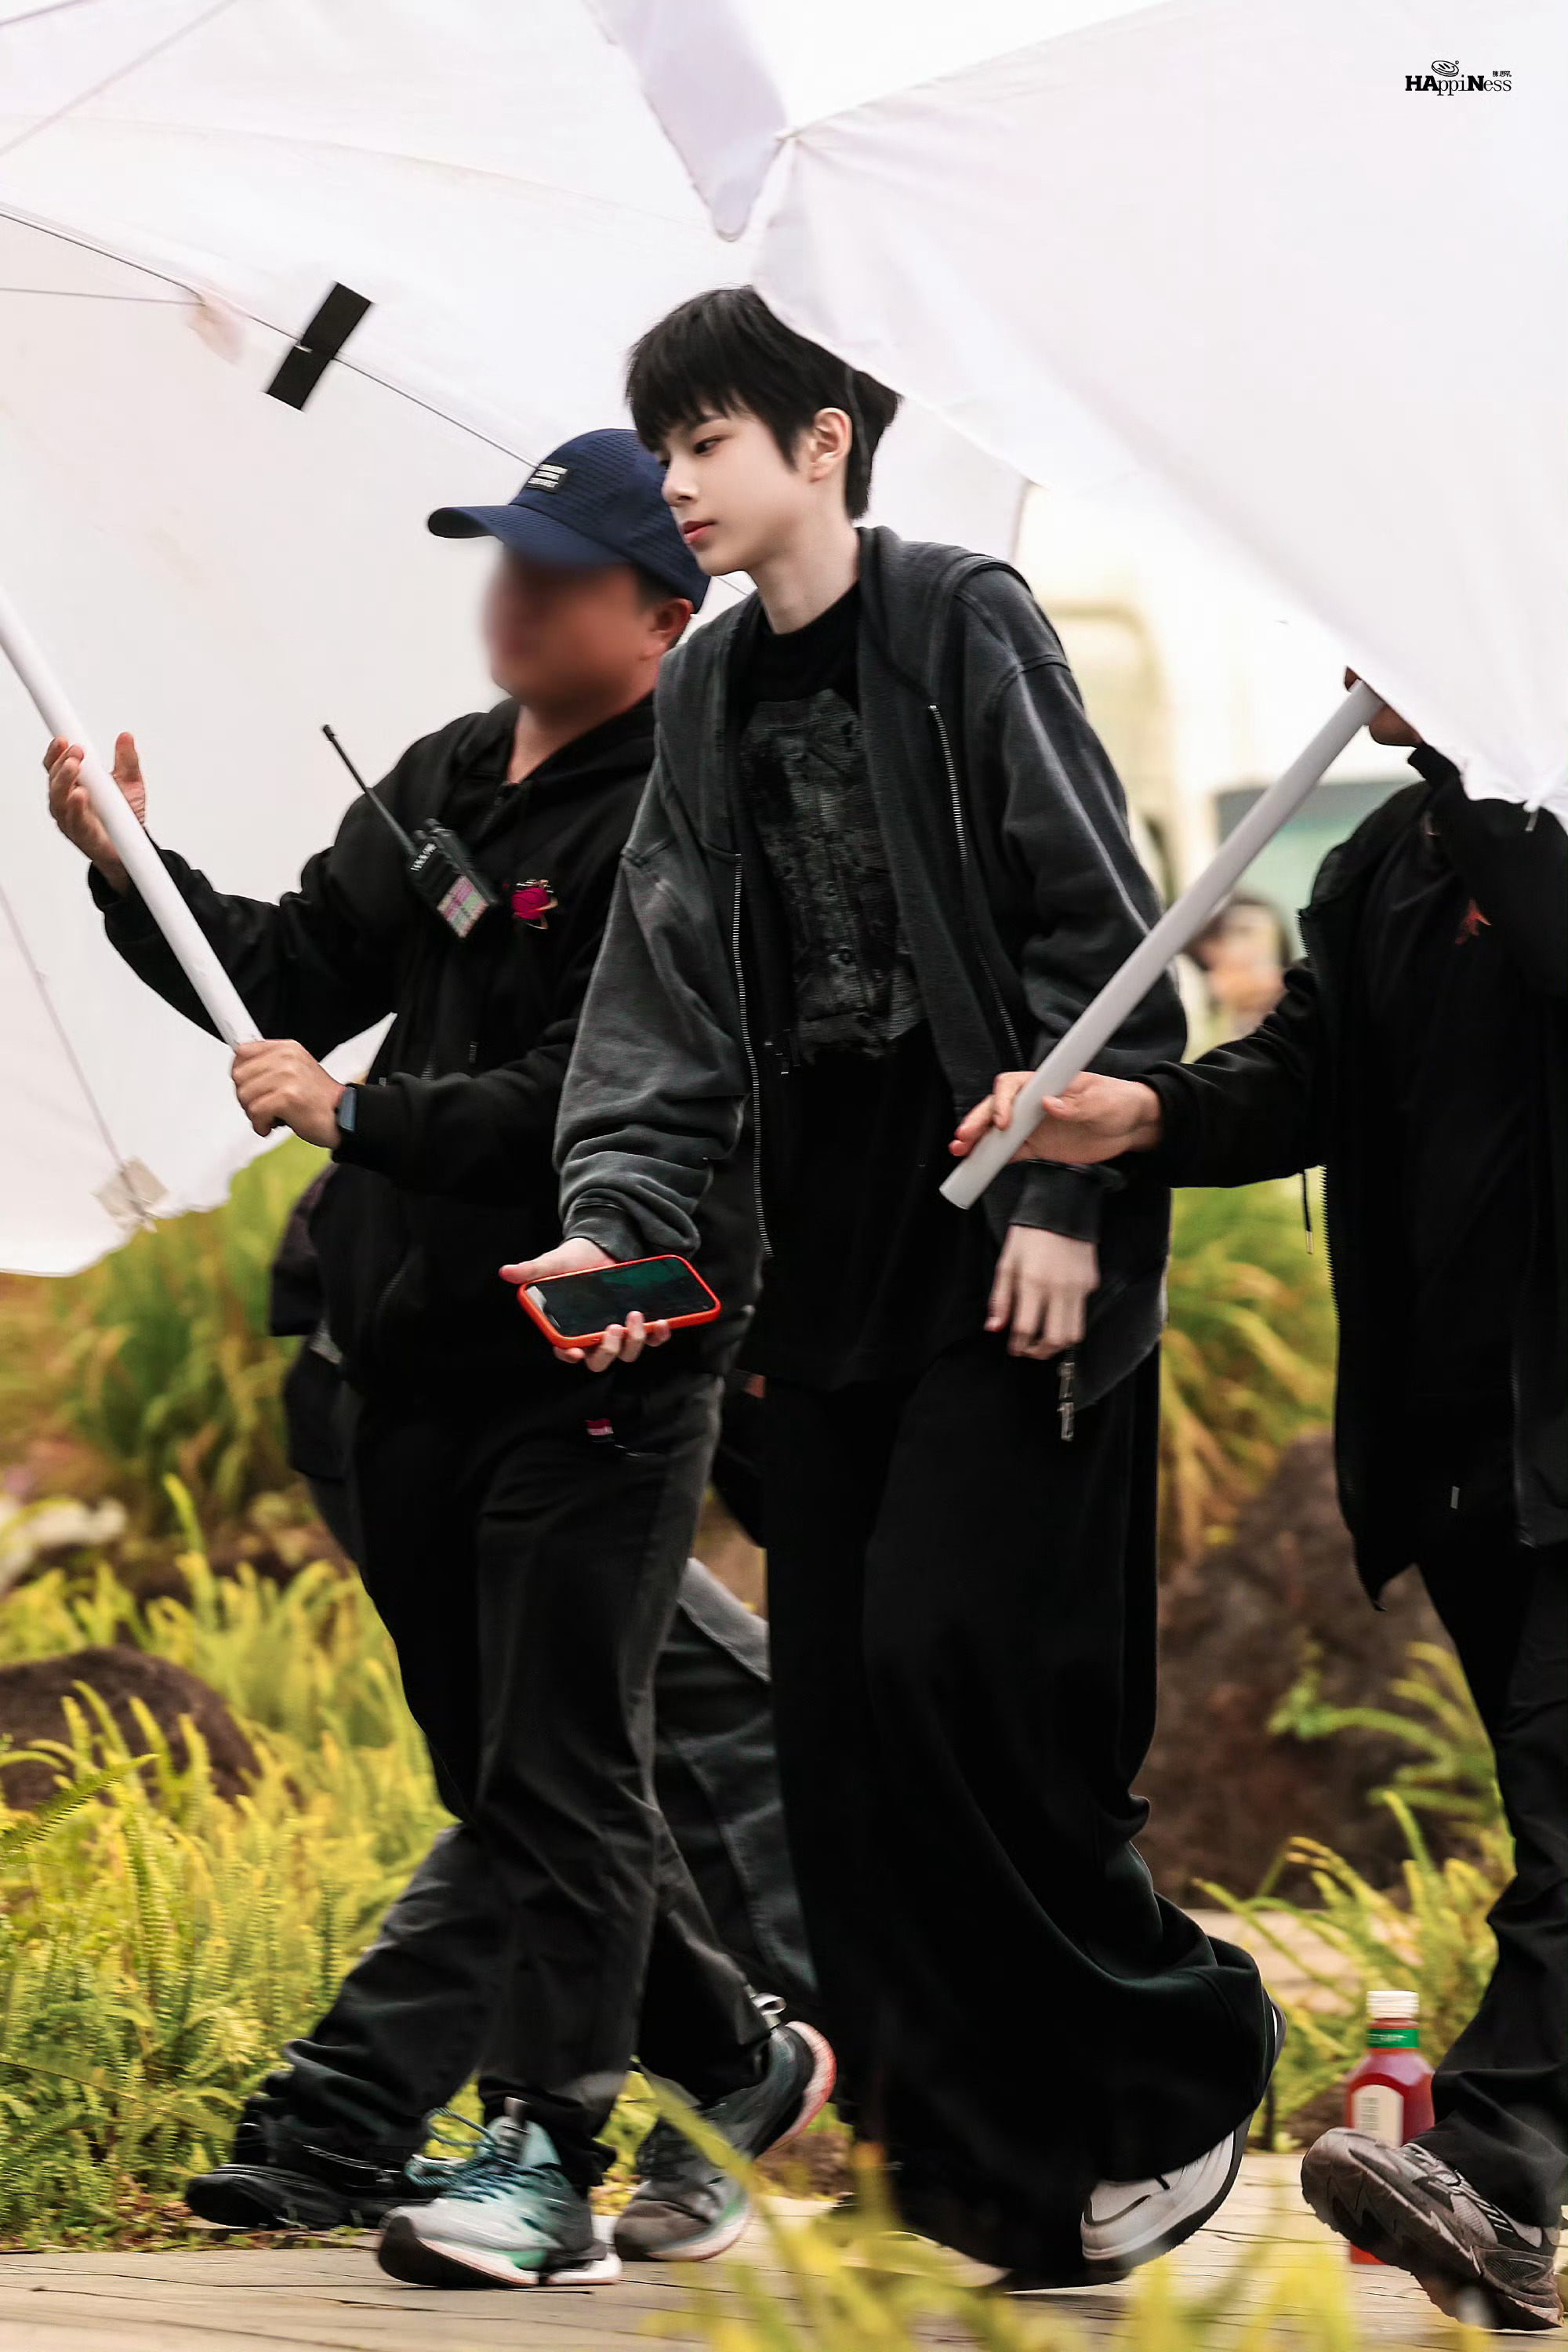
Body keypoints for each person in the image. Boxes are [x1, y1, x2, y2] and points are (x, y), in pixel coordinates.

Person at [507, 289, 1282, 2286]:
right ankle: (1002, 2180)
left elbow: (1099, 925)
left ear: (824, 441)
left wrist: (1065, 1197)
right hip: (826, 1265)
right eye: (663, 447)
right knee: (844, 1734)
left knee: (959, 1681)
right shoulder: (705, 688)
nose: (677, 483)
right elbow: (662, 992)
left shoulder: (959, 622)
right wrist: (618, 1212)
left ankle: (1177, 2068)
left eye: (706, 441)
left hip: (1005, 1244)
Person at [44, 430, 833, 2290]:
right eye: (504, 559)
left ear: (666, 613)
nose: (515, 596)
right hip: (406, 1356)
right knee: (502, 1778)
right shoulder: (456, 772)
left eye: (559, 572)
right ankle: (733, 2057)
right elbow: (295, 969)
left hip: (600, 1354)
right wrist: (131, 869)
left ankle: (545, 2151)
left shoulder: (692, 819)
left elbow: (604, 1090)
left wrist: (362, 1116)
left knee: (563, 1758)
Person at [952, 676, 1566, 2332]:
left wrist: (1482, 769)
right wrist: (1137, 1112)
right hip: (1468, 1453)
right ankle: (1514, 2199)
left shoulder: (1518, 829)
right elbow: (1304, 1080)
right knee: (1551, 1816)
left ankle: (1499, 2168)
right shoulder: (1385, 861)